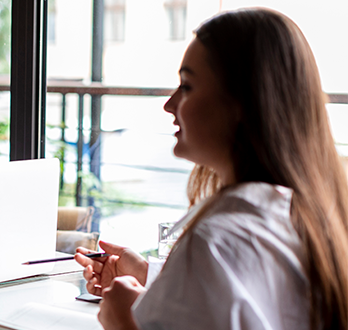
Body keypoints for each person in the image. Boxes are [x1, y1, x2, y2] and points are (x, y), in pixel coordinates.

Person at [74, 7, 348, 330]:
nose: (169, 104)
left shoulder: (215, 242)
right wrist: (154, 275)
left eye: (187, 86)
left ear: (242, 104)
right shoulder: (307, 219)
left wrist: (121, 320)